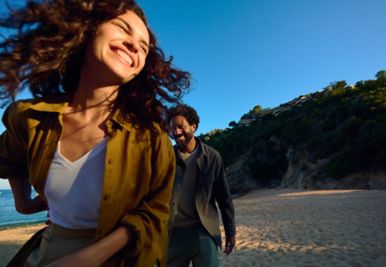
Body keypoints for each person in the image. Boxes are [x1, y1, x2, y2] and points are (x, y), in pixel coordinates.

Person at [0, 0, 190, 266]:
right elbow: (9, 158)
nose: (134, 45)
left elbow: (157, 211)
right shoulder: (29, 117)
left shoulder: (151, 137)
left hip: (120, 257)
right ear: (87, 29)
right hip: (48, 250)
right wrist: (24, 204)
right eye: (123, 28)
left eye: (144, 47)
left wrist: (89, 257)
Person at [166, 104, 236, 267]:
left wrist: (230, 232)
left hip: (204, 231)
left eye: (180, 126)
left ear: (193, 126)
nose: (176, 132)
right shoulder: (167, 158)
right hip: (173, 234)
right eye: (172, 128)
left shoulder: (212, 157)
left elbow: (224, 198)